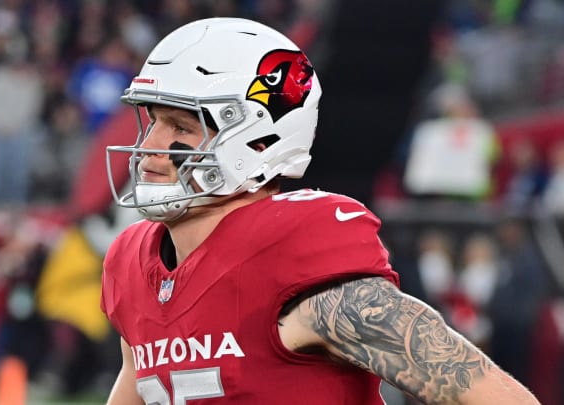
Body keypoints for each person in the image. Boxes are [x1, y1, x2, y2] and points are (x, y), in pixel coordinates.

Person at [100, 17, 540, 404]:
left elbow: (482, 392)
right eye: (151, 121)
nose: (149, 147)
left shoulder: (293, 261)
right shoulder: (136, 265)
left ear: (256, 141)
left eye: (180, 125)